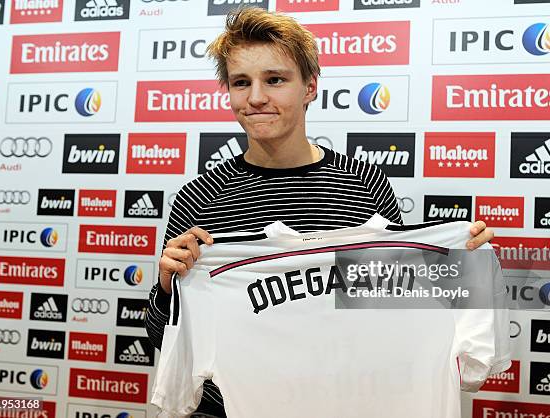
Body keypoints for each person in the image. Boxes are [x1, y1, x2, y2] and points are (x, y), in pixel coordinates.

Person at [146, 7, 494, 417]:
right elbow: (163, 339)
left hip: (349, 402)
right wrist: (168, 288)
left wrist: (462, 269)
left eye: (275, 79)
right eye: (242, 83)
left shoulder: (364, 183)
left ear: (310, 86)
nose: (256, 97)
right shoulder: (202, 197)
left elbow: (397, 307)